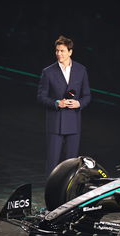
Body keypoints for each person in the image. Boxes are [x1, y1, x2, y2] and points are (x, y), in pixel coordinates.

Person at [37, 35, 91, 177]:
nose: (59, 54)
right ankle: (50, 191)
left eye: (62, 51)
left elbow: (87, 95)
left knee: (72, 163)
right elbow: (41, 97)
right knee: (52, 163)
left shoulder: (81, 70)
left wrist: (79, 103)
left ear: (70, 52)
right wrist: (56, 103)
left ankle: (69, 192)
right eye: (57, 51)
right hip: (55, 124)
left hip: (74, 124)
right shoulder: (48, 72)